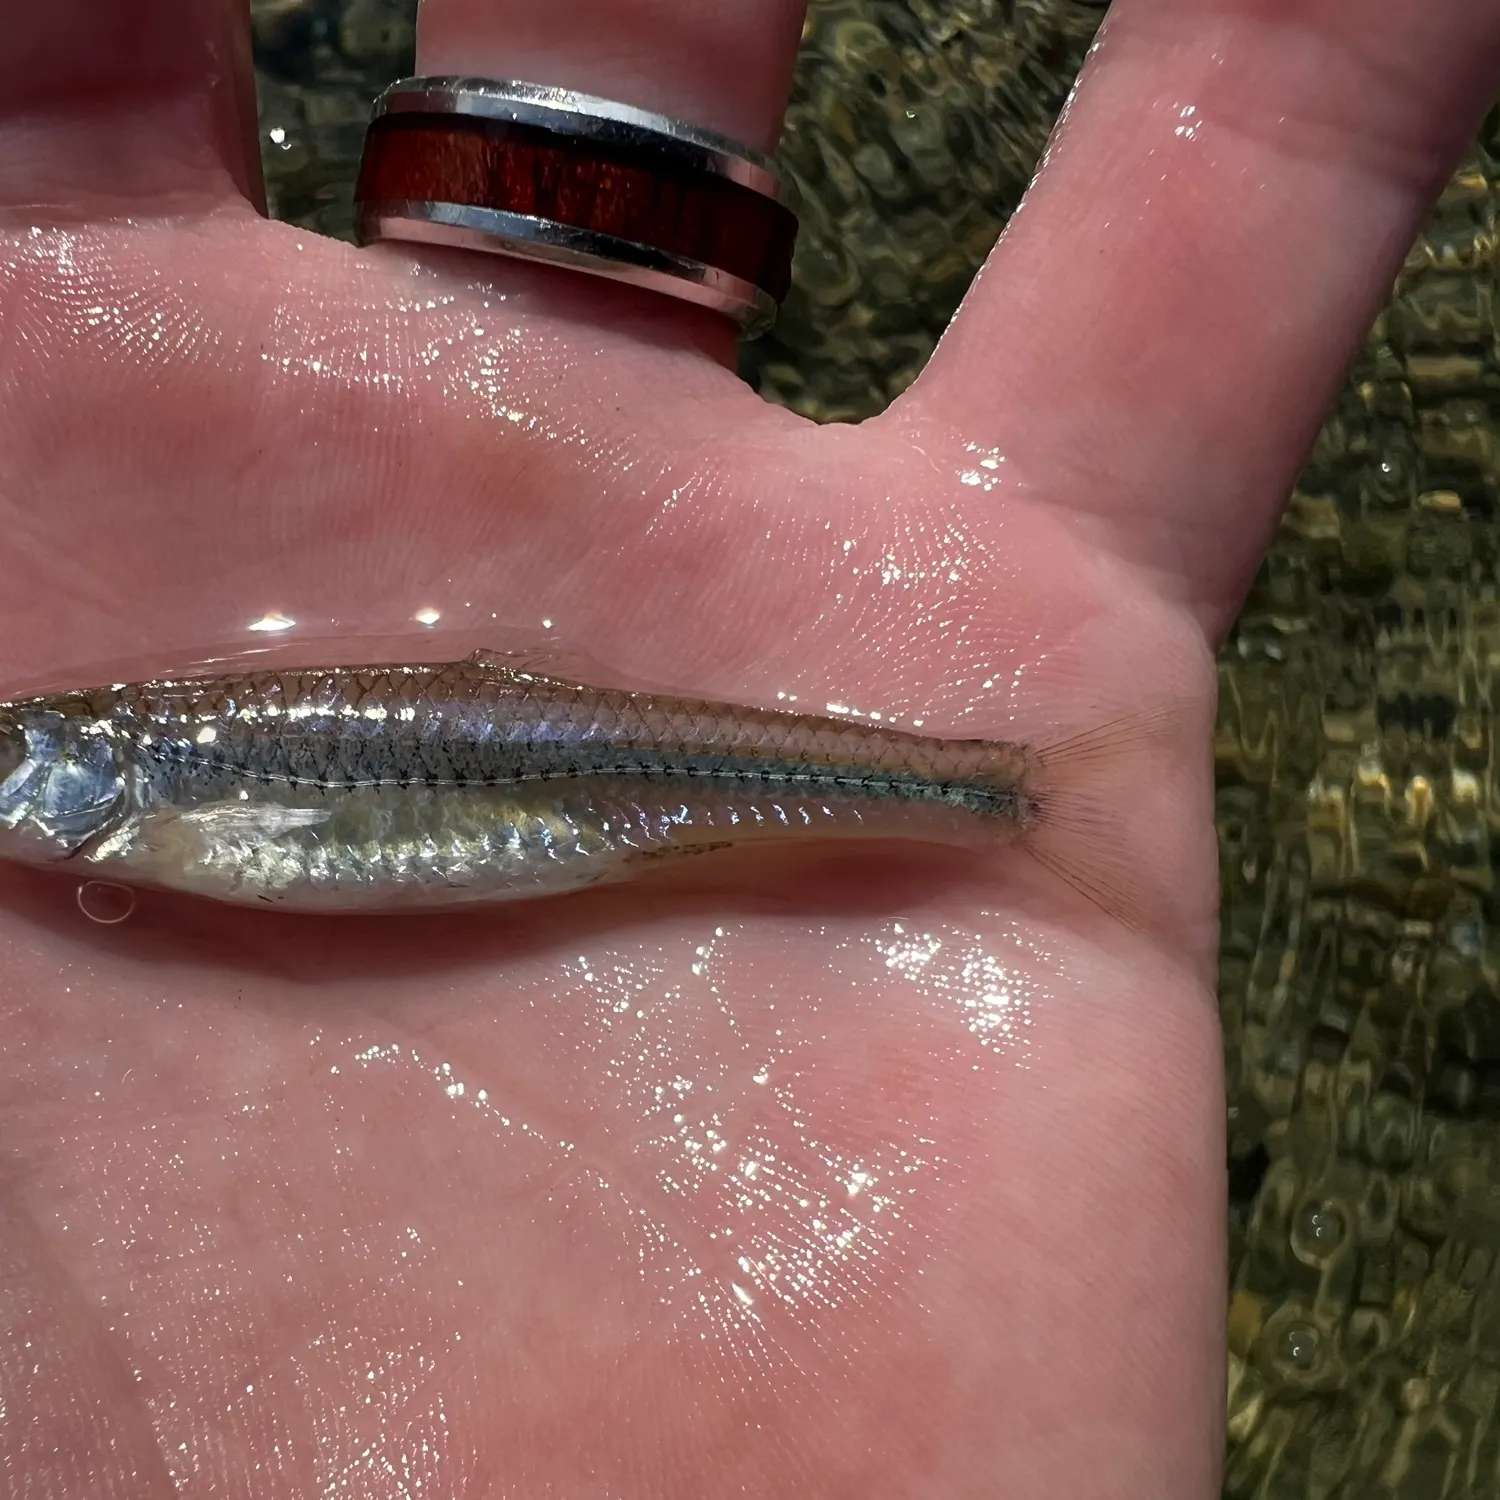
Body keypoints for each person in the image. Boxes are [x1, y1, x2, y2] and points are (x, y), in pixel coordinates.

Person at [2, 2, 1495, 1495]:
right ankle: (993, 795)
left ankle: (1004, 794)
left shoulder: (153, 785)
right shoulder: (154, 776)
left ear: (93, 767)